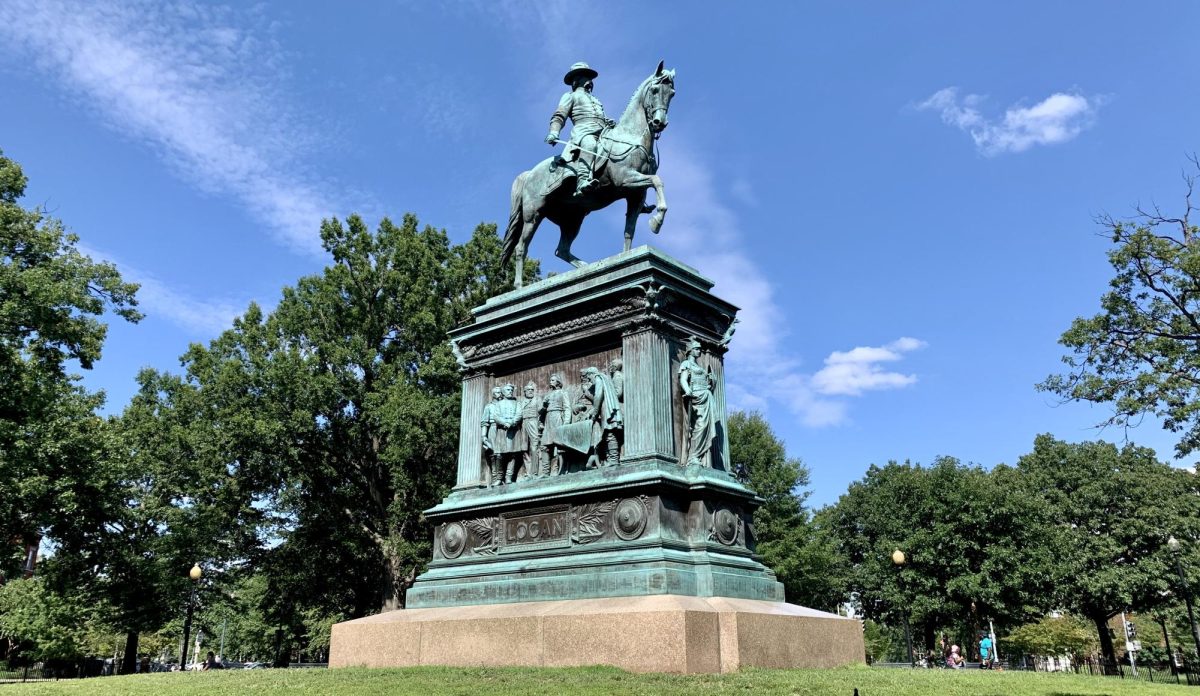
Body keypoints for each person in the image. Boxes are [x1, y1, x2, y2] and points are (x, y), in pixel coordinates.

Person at [546, 62, 614, 196]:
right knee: (590, 144)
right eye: (585, 76)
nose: (590, 80)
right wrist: (554, 132)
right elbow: (559, 115)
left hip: (603, 132)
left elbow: (601, 116)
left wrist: (608, 122)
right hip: (584, 132)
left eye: (590, 77)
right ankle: (582, 180)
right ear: (576, 80)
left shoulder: (595, 99)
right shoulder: (570, 96)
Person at [679, 337, 716, 467]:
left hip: (706, 396)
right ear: (690, 350)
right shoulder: (686, 364)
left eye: (700, 349)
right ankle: (693, 456)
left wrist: (710, 382)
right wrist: (687, 390)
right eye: (696, 349)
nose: (699, 351)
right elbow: (683, 379)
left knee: (705, 426)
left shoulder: (698, 366)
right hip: (696, 396)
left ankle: (699, 457)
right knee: (699, 426)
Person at [540, 373, 569, 475]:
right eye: (550, 380)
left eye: (552, 380)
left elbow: (567, 408)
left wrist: (566, 422)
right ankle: (545, 472)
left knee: (558, 445)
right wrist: (544, 405)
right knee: (544, 445)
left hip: (557, 417)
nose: (550, 382)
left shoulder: (562, 393)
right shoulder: (547, 395)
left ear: (558, 382)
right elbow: (540, 411)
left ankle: (557, 470)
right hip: (548, 419)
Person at [516, 381, 544, 478]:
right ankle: (528, 471)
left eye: (532, 390)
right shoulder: (521, 402)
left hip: (533, 422)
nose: (530, 391)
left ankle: (535, 472)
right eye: (528, 390)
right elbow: (518, 414)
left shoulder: (537, 399)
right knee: (524, 449)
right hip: (523, 423)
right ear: (525, 392)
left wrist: (540, 423)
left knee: (534, 447)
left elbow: (541, 412)